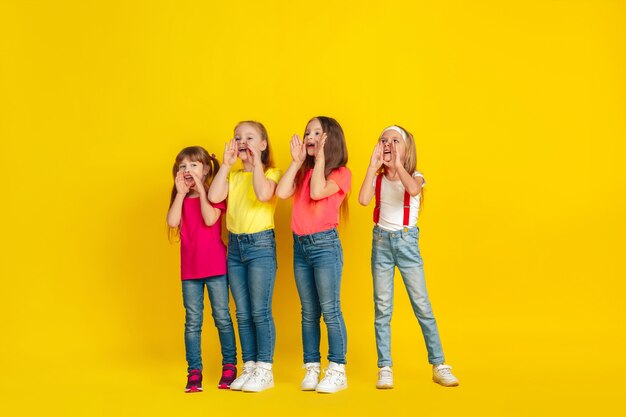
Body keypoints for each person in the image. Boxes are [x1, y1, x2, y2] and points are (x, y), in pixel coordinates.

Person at [358, 125, 459, 389]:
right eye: (383, 140)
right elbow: (362, 199)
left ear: (407, 148)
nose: (388, 144)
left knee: (422, 305)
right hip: (380, 243)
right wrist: (373, 166)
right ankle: (385, 367)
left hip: (406, 244)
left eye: (395, 140)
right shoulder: (378, 178)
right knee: (382, 308)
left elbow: (413, 190)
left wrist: (398, 165)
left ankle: (439, 364)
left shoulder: (416, 176)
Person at [276, 116, 351, 393]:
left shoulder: (341, 173)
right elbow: (282, 192)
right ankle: (311, 367)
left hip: (325, 247)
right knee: (308, 312)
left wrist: (319, 159)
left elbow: (318, 192)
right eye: (307, 132)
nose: (309, 136)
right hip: (301, 247)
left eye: (316, 133)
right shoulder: (302, 171)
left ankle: (337, 369)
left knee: (330, 310)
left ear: (330, 139)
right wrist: (296, 161)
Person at [208, 121, 282, 392]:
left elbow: (263, 194)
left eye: (250, 137)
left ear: (263, 144)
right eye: (238, 137)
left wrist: (258, 162)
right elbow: (214, 196)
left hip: (260, 245)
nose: (243, 142)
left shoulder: (272, 172)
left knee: (260, 311)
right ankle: (249, 366)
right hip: (236, 247)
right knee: (242, 312)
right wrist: (226, 165)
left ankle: (265, 369)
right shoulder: (234, 177)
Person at [166, 146, 237, 392]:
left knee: (222, 318)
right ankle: (194, 372)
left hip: (216, 267)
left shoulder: (216, 196)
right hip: (190, 272)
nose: (187, 170)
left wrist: (202, 191)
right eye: (182, 166)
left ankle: (230, 366)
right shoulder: (182, 199)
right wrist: (180, 193)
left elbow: (209, 219)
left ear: (206, 169)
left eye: (193, 165)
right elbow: (172, 221)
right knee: (193, 322)